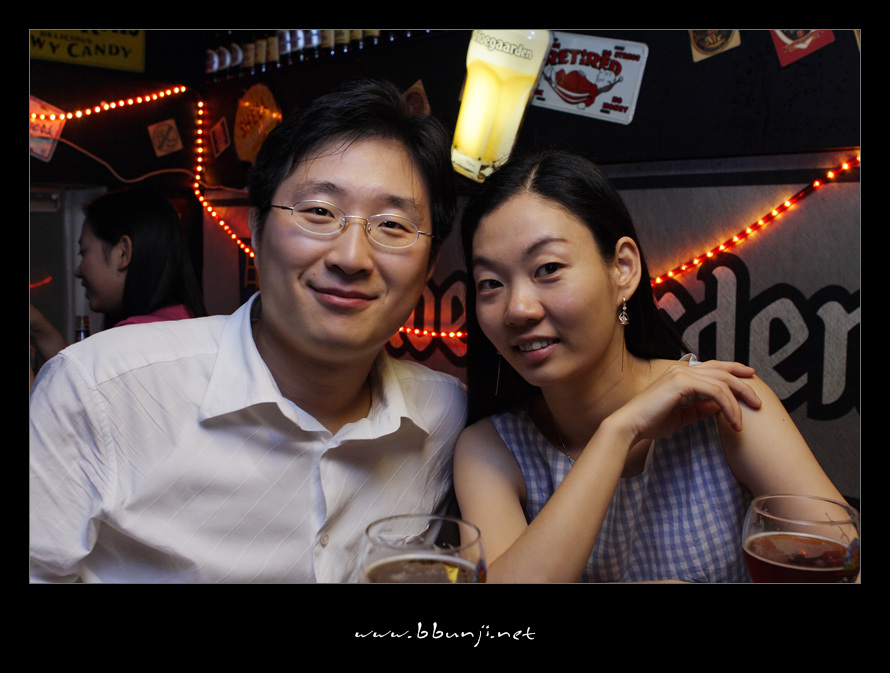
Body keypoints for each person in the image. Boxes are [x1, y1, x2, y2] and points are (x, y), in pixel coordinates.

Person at [29, 79, 465, 583]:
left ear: (430, 262)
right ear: (256, 227)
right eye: (319, 212)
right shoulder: (99, 391)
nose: (351, 257)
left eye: (392, 225)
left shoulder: (444, 415)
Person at [453, 149, 846, 583]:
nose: (518, 309)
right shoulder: (490, 448)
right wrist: (618, 432)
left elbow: (846, 566)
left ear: (623, 268)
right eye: (491, 283)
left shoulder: (723, 405)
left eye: (548, 268)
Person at [75, 188, 207, 328]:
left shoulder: (131, 334)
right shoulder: (188, 320)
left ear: (123, 253)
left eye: (84, 252)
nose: (77, 271)